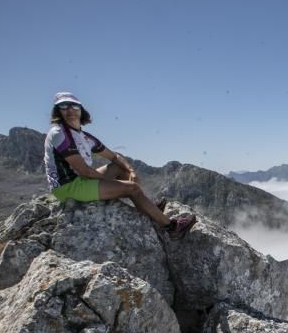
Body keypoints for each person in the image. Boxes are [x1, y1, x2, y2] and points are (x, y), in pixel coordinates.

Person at [43, 91, 196, 238]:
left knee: (119, 168)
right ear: (58, 111)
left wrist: (131, 171)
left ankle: (149, 208)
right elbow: (85, 171)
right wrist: (118, 184)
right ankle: (172, 228)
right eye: (64, 106)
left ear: (81, 110)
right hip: (67, 187)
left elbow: (115, 156)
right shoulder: (59, 133)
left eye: (74, 106)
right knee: (132, 189)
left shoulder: (84, 136)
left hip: (80, 181)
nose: (70, 110)